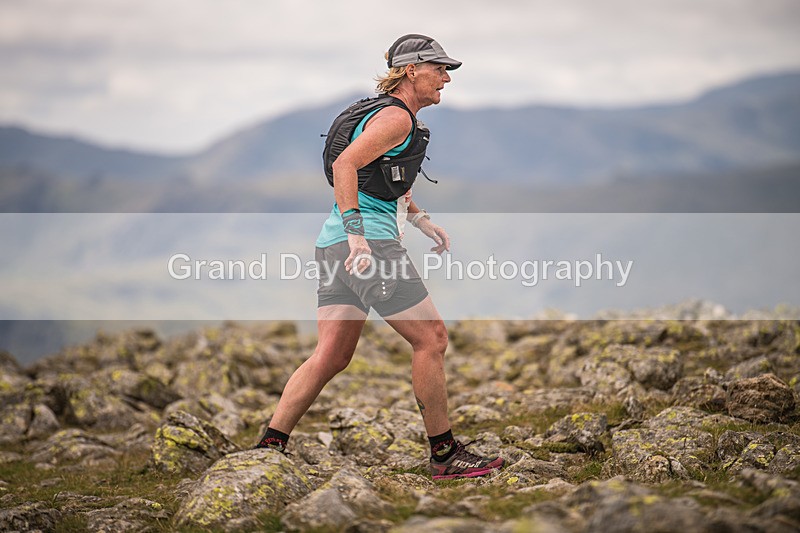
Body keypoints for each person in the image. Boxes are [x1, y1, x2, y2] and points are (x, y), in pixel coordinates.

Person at [255, 34, 504, 480]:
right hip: (364, 246)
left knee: (330, 355)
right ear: (412, 70)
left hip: (333, 245)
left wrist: (420, 219)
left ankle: (270, 444)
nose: (446, 78)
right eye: (440, 69)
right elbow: (345, 167)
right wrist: (359, 238)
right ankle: (444, 454)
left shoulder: (385, 115)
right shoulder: (396, 119)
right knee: (432, 340)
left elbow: (386, 180)